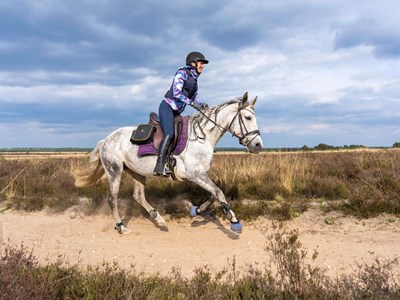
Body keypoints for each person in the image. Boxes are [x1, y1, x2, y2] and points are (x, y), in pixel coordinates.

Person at [153, 51, 209, 176]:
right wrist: (192, 103)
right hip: (167, 107)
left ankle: (172, 162)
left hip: (176, 111)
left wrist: (201, 105)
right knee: (170, 133)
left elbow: (195, 99)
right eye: (201, 63)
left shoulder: (194, 81)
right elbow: (177, 93)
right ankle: (159, 165)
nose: (203, 66)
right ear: (193, 63)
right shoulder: (182, 73)